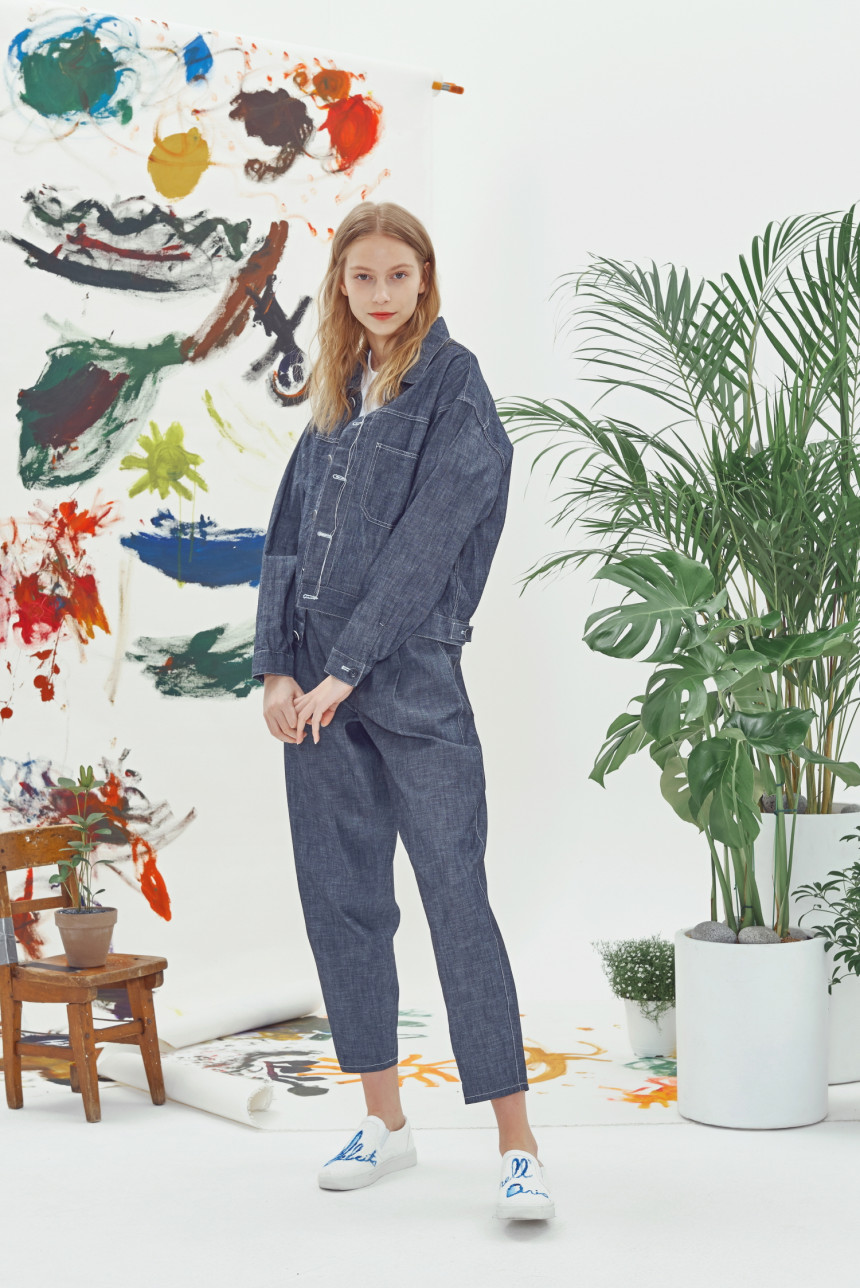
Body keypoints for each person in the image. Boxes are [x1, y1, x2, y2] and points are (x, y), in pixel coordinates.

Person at [252, 201, 555, 1221]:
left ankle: (518, 1144)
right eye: (361, 277)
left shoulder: (454, 387)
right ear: (340, 287)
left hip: (411, 683)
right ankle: (383, 1121)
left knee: (455, 896)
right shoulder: (337, 387)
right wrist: (278, 670)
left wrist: (344, 668)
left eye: (396, 274)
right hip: (315, 693)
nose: (379, 293)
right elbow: (287, 533)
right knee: (341, 898)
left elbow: (431, 542)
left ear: (424, 278)